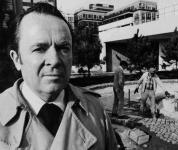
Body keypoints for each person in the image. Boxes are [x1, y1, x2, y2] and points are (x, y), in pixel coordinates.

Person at [0, 3, 117, 150]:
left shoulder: (95, 110)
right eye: (40, 49)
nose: (54, 60)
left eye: (63, 48)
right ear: (17, 59)